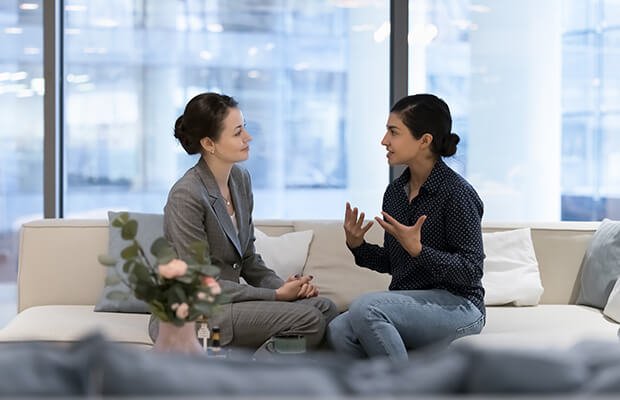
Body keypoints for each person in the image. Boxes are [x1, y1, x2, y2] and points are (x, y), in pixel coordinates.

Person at [149, 92, 338, 350]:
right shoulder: (187, 194)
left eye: (244, 128)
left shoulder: (239, 180)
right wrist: (276, 296)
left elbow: (248, 260)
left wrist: (284, 286)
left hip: (229, 304)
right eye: (238, 132)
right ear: (208, 143)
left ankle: (260, 365)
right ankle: (255, 385)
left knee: (325, 308)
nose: (248, 138)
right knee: (310, 320)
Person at [327, 94, 485, 362]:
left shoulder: (457, 194)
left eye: (393, 132)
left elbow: (471, 271)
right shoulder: (396, 192)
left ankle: (405, 389)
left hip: (460, 305)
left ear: (424, 140)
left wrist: (419, 250)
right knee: (338, 329)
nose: (384, 141)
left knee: (367, 307)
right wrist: (358, 246)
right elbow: (394, 262)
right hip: (412, 303)